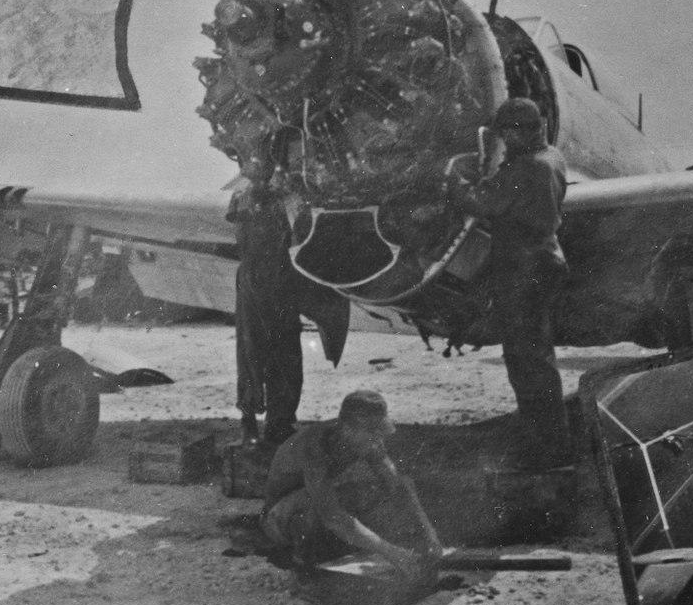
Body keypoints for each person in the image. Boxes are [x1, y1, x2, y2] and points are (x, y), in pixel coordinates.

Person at [446, 98, 573, 471]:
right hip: (542, 262)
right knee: (536, 358)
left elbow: (478, 200)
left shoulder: (528, 168)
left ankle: (546, 450)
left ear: (521, 131)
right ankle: (549, 442)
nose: (503, 140)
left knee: (526, 362)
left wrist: (453, 178)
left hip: (523, 270)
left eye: (506, 133)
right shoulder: (551, 157)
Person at [261, 390, 443, 576]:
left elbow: (397, 485)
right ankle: (303, 568)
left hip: (310, 505)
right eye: (373, 433)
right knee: (316, 503)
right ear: (348, 429)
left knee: (365, 491)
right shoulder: (313, 445)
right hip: (277, 519)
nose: (378, 441)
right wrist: (391, 552)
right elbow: (332, 515)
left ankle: (335, 546)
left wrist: (429, 535)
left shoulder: (360, 436)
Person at [228, 180, 350, 445]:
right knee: (256, 354)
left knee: (278, 355)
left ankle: (275, 423)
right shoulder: (251, 196)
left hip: (276, 278)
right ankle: (255, 422)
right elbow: (245, 238)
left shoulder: (272, 196)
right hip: (262, 278)